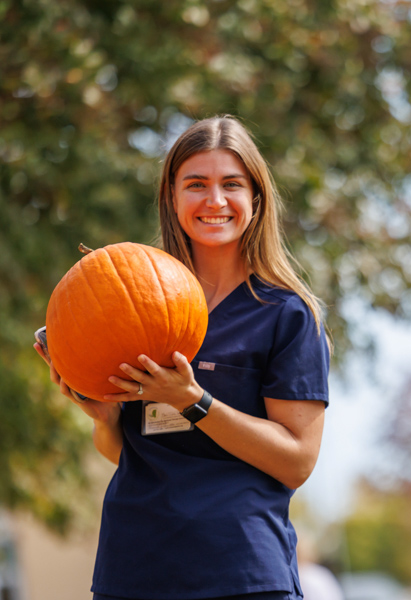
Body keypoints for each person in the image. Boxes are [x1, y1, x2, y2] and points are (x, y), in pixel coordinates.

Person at [34, 116, 330, 600]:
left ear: (255, 199)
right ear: (173, 198)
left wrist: (194, 400)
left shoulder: (286, 314)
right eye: (196, 185)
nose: (214, 201)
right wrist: (105, 418)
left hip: (240, 573)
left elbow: (296, 462)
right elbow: (130, 452)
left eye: (231, 184)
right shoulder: (126, 297)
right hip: (132, 571)